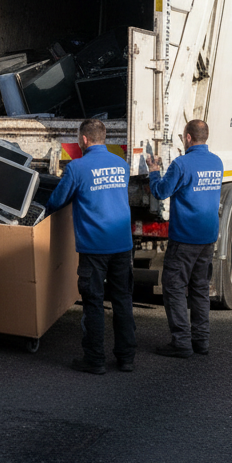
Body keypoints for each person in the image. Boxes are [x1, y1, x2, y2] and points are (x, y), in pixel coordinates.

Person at [45, 119, 136, 374]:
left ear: (83, 140)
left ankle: (95, 360)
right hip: (121, 245)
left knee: (94, 303)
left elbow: (57, 201)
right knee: (122, 301)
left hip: (94, 248)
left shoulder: (77, 167)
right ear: (103, 138)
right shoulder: (122, 165)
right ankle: (126, 358)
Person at [145, 119, 223, 358]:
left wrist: (154, 171)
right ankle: (201, 342)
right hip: (207, 238)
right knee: (200, 289)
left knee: (175, 287)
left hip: (185, 238)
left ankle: (181, 342)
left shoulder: (181, 164)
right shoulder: (217, 162)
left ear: (188, 138)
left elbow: (161, 192)